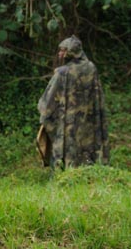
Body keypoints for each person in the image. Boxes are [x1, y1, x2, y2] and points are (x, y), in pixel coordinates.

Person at [37, 35, 110, 169]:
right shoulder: (91, 68)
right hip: (88, 126)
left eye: (63, 50)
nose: (60, 54)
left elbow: (47, 103)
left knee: (65, 159)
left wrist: (47, 119)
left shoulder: (62, 73)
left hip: (67, 127)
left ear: (70, 52)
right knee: (86, 159)